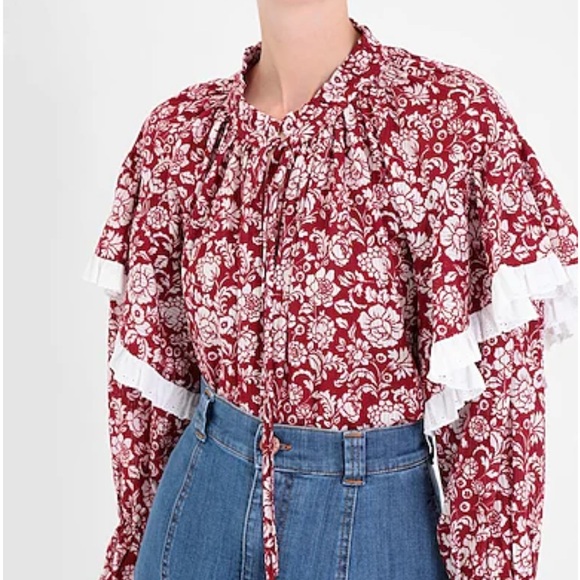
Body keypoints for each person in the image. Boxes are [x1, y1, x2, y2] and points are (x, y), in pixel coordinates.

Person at [82, 3, 578, 580]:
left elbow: (499, 408)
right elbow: (146, 395)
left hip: (374, 527)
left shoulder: (446, 121)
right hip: (198, 517)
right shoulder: (181, 134)